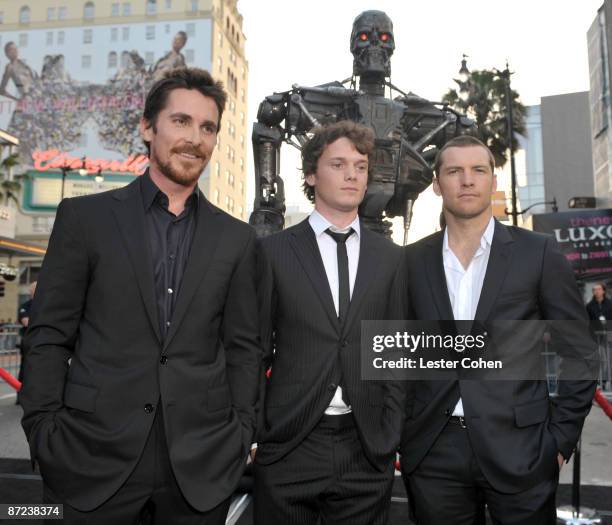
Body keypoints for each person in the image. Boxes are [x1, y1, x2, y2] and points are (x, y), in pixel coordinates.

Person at [20, 67, 260, 524]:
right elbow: (49, 334)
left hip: (201, 464)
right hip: (92, 456)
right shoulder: (84, 219)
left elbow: (243, 348)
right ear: (148, 127)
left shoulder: (236, 240)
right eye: (181, 122)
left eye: (207, 127)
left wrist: (240, 431)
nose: (195, 138)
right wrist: (42, 428)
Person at [399, 135, 596, 524]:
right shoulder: (411, 261)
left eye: (478, 170)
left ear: (492, 180)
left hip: (522, 448)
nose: (467, 181)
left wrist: (559, 441)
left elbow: (580, 353)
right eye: (454, 171)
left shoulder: (537, 252)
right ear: (437, 184)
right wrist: (403, 434)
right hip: (433, 452)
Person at [253, 121, 405, 524]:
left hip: (367, 448)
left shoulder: (391, 259)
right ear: (310, 174)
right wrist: (254, 431)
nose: (352, 174)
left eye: (360, 165)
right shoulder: (272, 253)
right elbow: (252, 348)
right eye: (338, 164)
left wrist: (390, 432)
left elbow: (398, 351)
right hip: (289, 443)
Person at [16, 281, 36, 404]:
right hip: (28, 341)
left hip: (41, 341)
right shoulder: (26, 306)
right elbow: (26, 322)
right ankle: (20, 396)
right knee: (25, 369)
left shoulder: (45, 306)